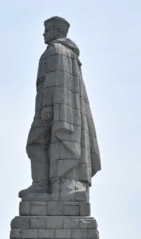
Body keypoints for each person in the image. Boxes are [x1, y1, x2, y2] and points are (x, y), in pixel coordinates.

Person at [17, 15, 100, 200]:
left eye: (47, 30)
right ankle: (49, 183)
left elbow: (55, 79)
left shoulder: (55, 50)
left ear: (57, 31)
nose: (43, 34)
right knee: (45, 143)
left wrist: (47, 106)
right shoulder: (69, 53)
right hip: (59, 108)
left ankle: (45, 184)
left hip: (49, 108)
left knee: (36, 142)